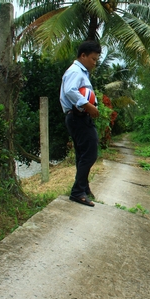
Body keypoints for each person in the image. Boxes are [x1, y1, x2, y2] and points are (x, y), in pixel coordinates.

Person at [60, 40, 101, 207]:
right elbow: (70, 91)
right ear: (83, 55)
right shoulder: (76, 71)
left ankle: (83, 188)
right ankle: (78, 192)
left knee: (82, 154)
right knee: (90, 153)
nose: (94, 63)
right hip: (78, 116)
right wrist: (88, 105)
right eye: (93, 59)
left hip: (79, 117)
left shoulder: (81, 71)